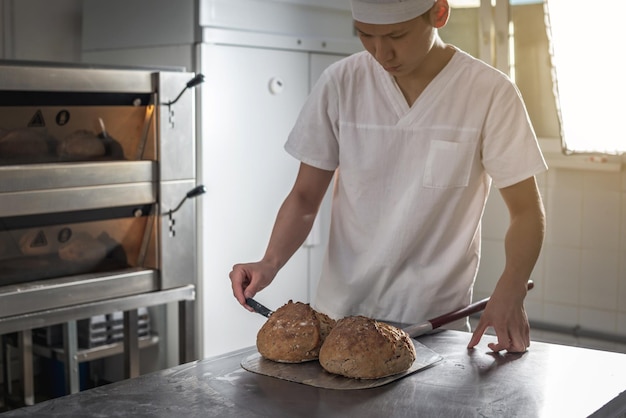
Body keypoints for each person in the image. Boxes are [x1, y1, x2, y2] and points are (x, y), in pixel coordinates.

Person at [229, 0, 546, 353]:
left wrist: (512, 287)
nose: (382, 52)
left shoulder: (489, 92)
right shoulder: (341, 82)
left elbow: (526, 213)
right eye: (366, 35)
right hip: (340, 323)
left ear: (438, 13)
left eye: (397, 34)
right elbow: (305, 197)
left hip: (436, 325)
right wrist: (269, 262)